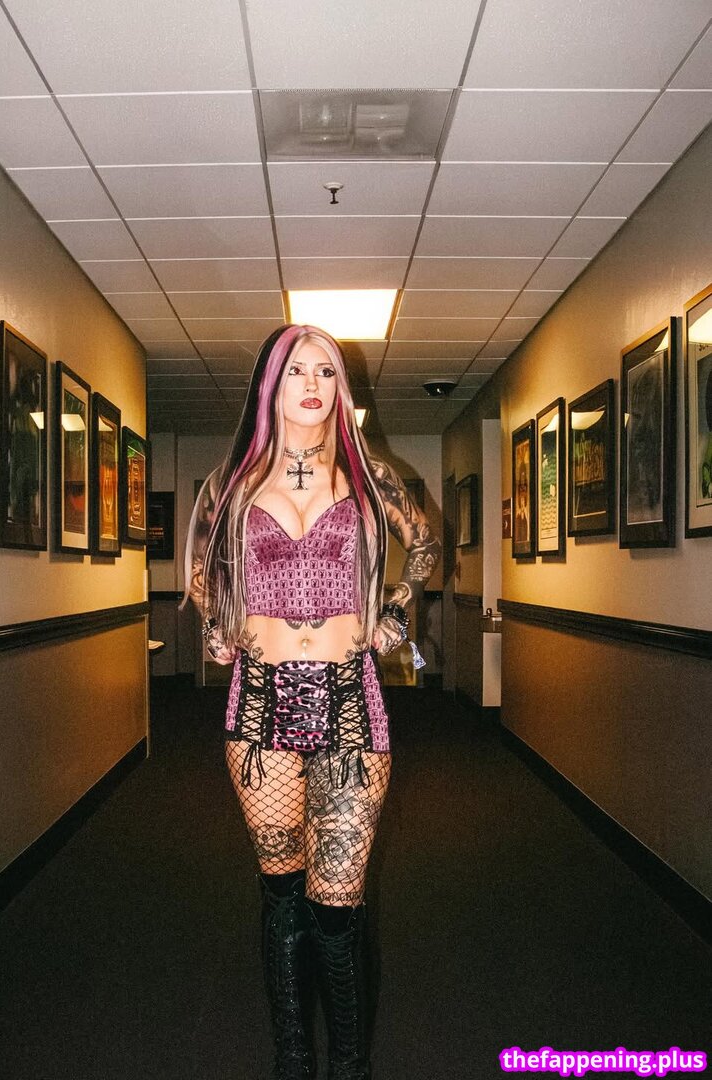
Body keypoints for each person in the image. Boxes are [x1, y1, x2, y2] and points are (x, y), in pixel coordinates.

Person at [184, 324, 441, 1080]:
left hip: (349, 702)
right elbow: (200, 573)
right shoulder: (229, 485)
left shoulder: (369, 478)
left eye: (326, 372)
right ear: (271, 383)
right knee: (283, 895)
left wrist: (397, 612)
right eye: (297, 370)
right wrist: (215, 624)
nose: (313, 385)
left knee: (337, 906)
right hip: (260, 707)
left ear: (340, 388)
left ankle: (350, 1064)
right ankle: (293, 1057)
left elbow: (426, 545)